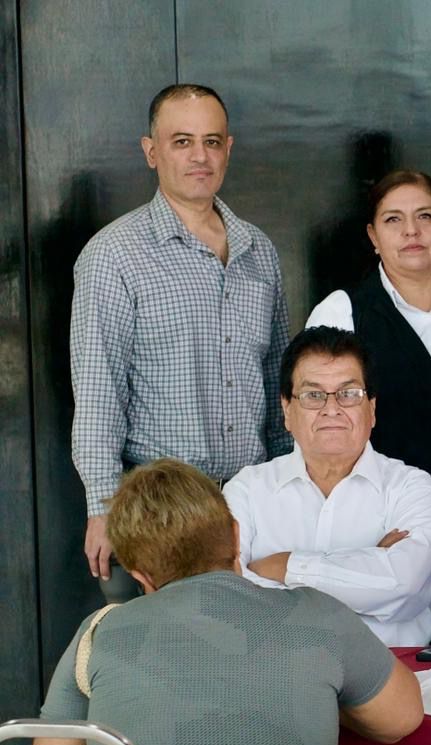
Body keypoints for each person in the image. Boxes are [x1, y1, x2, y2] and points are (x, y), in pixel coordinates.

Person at [31, 459, 424, 745]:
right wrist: (322, 693)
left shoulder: (99, 632)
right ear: (236, 536)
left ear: (138, 574)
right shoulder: (320, 616)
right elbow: (400, 719)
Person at [71, 83, 290, 601]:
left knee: (251, 646)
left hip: (251, 503)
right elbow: (99, 391)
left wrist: (288, 488)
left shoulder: (258, 250)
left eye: (211, 141)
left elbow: (279, 380)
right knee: (169, 650)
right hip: (159, 511)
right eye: (182, 141)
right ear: (152, 152)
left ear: (228, 149)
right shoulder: (114, 255)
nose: (199, 156)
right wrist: (102, 508)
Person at [307, 169, 431, 642]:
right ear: (373, 236)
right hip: (381, 525)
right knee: (390, 661)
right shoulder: (344, 311)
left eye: (425, 217)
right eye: (393, 220)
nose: (412, 231)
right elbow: (315, 426)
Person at [224, 326, 431, 646]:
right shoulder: (245, 489)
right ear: (286, 409)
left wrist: (283, 566)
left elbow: (404, 583)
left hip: (395, 669)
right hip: (278, 670)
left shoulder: (412, 488)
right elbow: (229, 594)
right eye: (313, 395)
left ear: (372, 408)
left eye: (349, 393)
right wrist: (370, 569)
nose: (331, 409)